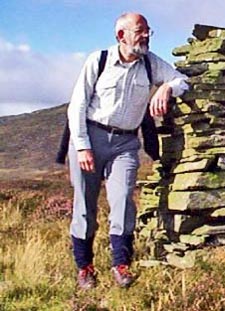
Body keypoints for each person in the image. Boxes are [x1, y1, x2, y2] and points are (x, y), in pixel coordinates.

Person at [67, 12, 188, 289]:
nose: (146, 35)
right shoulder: (98, 61)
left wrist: (166, 88)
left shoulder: (150, 63)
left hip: (126, 143)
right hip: (90, 138)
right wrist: (83, 146)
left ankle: (121, 265)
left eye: (148, 31)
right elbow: (77, 106)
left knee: (122, 201)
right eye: (140, 31)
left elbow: (182, 80)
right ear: (121, 36)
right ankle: (84, 268)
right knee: (84, 205)